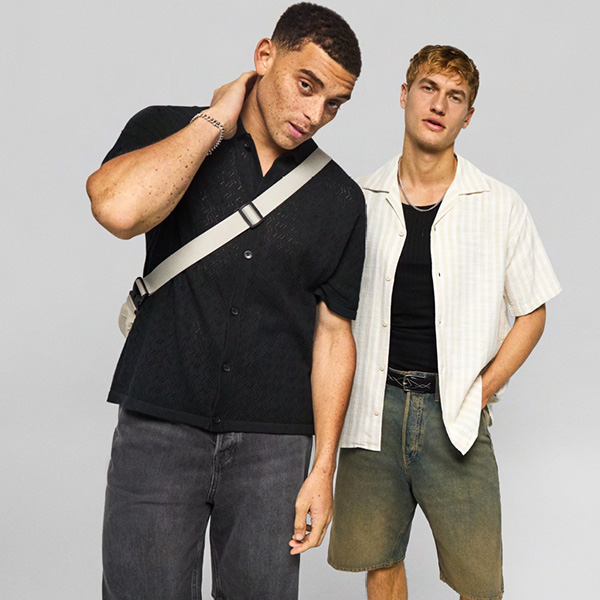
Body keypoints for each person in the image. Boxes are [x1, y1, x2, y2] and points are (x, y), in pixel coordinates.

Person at [86, 4, 365, 599]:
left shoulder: (341, 198)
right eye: (306, 85)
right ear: (265, 57)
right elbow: (117, 210)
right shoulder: (167, 129)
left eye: (334, 104)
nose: (315, 114)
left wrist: (323, 469)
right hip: (159, 426)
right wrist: (213, 122)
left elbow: (334, 335)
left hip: (274, 447)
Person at [328, 45, 561, 600]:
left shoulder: (499, 204)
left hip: (453, 413)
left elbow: (533, 312)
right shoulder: (359, 200)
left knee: (479, 583)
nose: (439, 105)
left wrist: (481, 391)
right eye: (429, 88)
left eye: (455, 97)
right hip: (374, 410)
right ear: (404, 96)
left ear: (468, 116)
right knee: (381, 562)